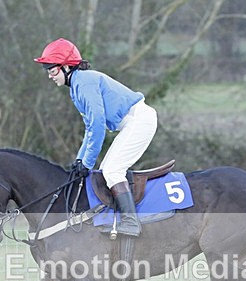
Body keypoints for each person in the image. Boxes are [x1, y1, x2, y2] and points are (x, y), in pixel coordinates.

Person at [34, 38, 158, 238]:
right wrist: (80, 160)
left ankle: (131, 222)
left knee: (112, 170)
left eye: (52, 69)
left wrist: (88, 162)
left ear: (66, 66)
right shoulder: (77, 86)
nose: (49, 75)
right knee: (107, 171)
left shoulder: (84, 82)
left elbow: (98, 125)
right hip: (132, 122)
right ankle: (121, 218)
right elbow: (90, 129)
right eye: (48, 70)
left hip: (139, 120)